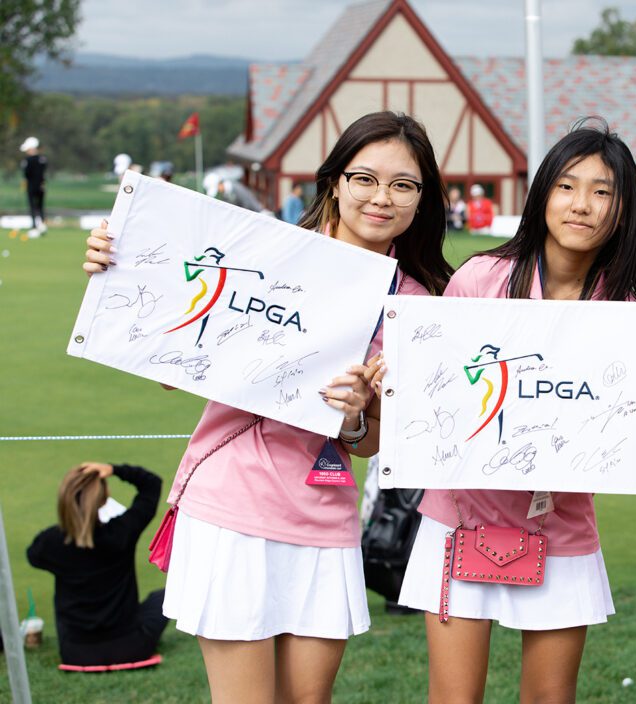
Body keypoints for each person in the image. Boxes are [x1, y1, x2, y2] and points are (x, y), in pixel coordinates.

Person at [83, 111, 452, 703]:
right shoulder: (268, 252)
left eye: (403, 184)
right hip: (231, 505)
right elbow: (171, 367)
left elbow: (369, 444)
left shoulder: (417, 303)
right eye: (365, 178)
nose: (381, 197)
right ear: (335, 181)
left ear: (421, 198)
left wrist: (357, 413)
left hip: (324, 513)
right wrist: (117, 266)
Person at [397, 119, 636, 704]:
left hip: (558, 523)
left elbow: (610, 436)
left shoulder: (626, 307)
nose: (581, 205)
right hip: (462, 518)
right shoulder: (479, 279)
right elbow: (438, 395)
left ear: (621, 209)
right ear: (542, 194)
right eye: (566, 186)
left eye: (602, 191)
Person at [27, 462, 169, 667]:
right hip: (131, 646)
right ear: (103, 498)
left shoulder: (51, 542)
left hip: (75, 653)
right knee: (163, 597)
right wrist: (114, 469)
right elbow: (152, 484)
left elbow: (33, 555)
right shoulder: (121, 532)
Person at [19, 136, 47, 237]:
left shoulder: (27, 160)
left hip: (31, 187)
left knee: (32, 207)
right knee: (40, 207)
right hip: (41, 186)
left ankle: (34, 227)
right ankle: (43, 225)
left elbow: (26, 174)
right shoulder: (43, 159)